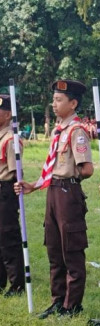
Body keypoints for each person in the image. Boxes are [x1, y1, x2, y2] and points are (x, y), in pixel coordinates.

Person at [15, 79, 93, 318]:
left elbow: (87, 169)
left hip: (67, 193)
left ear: (73, 103)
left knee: (71, 248)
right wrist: (36, 184)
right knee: (54, 248)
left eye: (59, 100)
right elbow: (52, 166)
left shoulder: (76, 132)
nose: (55, 104)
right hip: (53, 192)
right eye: (54, 99)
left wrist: (67, 179)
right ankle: (57, 300)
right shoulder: (59, 130)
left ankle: (72, 305)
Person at [0, 94, 25, 297]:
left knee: (8, 236)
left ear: (8, 115)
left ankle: (16, 284)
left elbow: (15, 171)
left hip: (5, 190)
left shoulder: (11, 139)